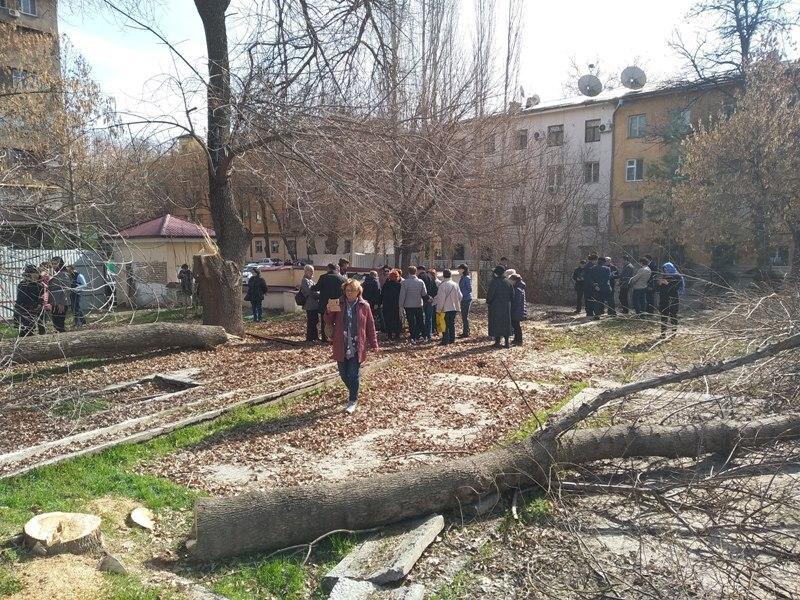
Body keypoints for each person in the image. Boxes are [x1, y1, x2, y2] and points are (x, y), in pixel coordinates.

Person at [332, 279, 379, 414]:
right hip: (341, 344)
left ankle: (352, 400)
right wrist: (328, 311)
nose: (349, 293)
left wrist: (374, 343)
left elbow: (370, 325)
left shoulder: (364, 306)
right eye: (347, 290)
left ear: (358, 291)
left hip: (357, 345)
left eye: (352, 291)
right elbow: (328, 320)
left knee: (353, 374)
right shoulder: (338, 303)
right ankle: (354, 389)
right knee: (343, 374)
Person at [312, 263, 347, 342]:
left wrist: (311, 286)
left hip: (325, 303)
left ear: (328, 268)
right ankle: (337, 337)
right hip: (338, 303)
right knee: (338, 320)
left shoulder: (323, 277)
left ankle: (325, 338)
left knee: (325, 320)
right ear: (336, 269)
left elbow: (317, 288)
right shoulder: (343, 279)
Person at [399, 265, 428, 344]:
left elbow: (402, 295)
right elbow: (424, 293)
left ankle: (413, 337)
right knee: (420, 320)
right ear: (416, 272)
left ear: (408, 272)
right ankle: (424, 336)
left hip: (408, 305)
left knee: (411, 322)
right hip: (418, 304)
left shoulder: (405, 282)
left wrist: (401, 306)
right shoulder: (420, 282)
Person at [14, 265, 45, 337]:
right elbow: (22, 299)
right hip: (25, 310)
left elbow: (41, 296)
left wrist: (39, 304)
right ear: (29, 274)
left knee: (41, 328)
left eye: (37, 273)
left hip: (38, 308)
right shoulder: (23, 284)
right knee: (26, 330)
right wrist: (35, 305)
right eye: (34, 273)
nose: (36, 275)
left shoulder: (39, 284)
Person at [487, 265, 513, 348]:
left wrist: (488, 302)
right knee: (506, 323)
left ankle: (497, 342)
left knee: (496, 323)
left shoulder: (494, 282)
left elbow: (490, 295)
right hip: (506, 306)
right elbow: (512, 295)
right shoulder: (508, 282)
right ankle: (506, 342)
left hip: (495, 306)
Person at [434, 269, 462, 345]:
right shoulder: (455, 284)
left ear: (443, 275)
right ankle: (452, 339)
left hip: (445, 308)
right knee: (451, 323)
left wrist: (439, 309)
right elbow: (460, 296)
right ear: (451, 275)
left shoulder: (442, 285)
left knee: (444, 324)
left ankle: (445, 340)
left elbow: (441, 299)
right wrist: (455, 302)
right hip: (454, 307)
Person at [657, 262, 684, 337]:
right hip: (663, 299)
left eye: (666, 269)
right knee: (663, 316)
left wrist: (667, 284)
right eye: (664, 270)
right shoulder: (664, 276)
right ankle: (663, 333)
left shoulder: (677, 276)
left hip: (673, 299)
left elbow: (675, 288)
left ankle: (674, 333)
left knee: (673, 315)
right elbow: (660, 289)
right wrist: (659, 284)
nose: (665, 271)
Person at [48, 257, 71, 333]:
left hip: (61, 303)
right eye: (52, 264)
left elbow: (66, 289)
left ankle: (63, 340)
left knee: (59, 324)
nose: (54, 266)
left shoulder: (64, 274)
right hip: (55, 302)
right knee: (56, 324)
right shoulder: (55, 273)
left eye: (55, 264)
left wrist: (62, 303)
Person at [380, 269, 403, 340]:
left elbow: (382, 295)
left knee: (388, 320)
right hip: (396, 305)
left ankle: (389, 335)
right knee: (397, 320)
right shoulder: (399, 285)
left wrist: (380, 303)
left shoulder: (386, 285)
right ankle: (397, 334)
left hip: (387, 305)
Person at [300, 264, 320, 341]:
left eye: (313, 271)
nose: (312, 273)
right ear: (306, 272)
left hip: (314, 304)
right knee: (311, 321)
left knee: (315, 320)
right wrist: (319, 295)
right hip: (310, 304)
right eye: (311, 271)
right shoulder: (305, 280)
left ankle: (315, 336)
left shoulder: (310, 280)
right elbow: (309, 292)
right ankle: (310, 337)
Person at [418, 265, 438, 342]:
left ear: (419, 270)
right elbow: (435, 290)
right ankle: (428, 334)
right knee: (429, 318)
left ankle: (421, 334)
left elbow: (420, 291)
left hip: (422, 301)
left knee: (421, 318)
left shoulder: (420, 278)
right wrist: (431, 297)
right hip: (430, 300)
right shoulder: (431, 278)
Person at [510, 273, 528, 346]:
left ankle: (519, 340)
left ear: (514, 280)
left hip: (517, 310)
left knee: (516, 325)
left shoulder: (517, 289)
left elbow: (516, 300)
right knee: (516, 325)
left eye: (511, 280)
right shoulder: (519, 287)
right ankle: (517, 339)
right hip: (518, 309)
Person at [457, 263, 472, 337]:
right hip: (463, 299)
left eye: (459, 269)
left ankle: (466, 332)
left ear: (463, 270)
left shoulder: (466, 278)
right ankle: (466, 331)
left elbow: (469, 289)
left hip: (466, 299)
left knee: (465, 316)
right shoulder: (462, 277)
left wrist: (462, 295)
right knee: (464, 316)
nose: (458, 270)